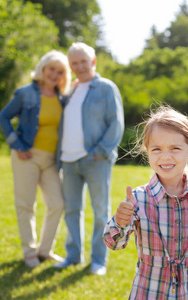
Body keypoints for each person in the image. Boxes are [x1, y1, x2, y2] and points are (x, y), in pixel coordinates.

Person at [103, 106, 188, 299]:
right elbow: (114, 244)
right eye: (156, 149)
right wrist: (120, 223)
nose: (165, 156)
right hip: (148, 293)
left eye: (175, 148)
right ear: (147, 152)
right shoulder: (138, 199)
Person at [53, 42, 124, 275]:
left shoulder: (105, 87)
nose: (79, 66)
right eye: (74, 63)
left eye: (84, 61)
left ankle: (98, 261)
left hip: (96, 160)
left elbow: (116, 123)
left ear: (93, 61)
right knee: (72, 210)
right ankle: (73, 256)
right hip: (69, 161)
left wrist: (100, 152)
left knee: (100, 211)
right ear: (70, 66)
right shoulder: (71, 90)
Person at [0, 50, 71, 268]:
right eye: (51, 69)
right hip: (26, 157)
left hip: (51, 161)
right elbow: (3, 117)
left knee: (58, 204)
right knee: (26, 205)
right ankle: (29, 252)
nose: (55, 74)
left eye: (60, 72)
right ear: (42, 68)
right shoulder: (25, 93)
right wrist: (16, 145)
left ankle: (45, 250)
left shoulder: (63, 98)